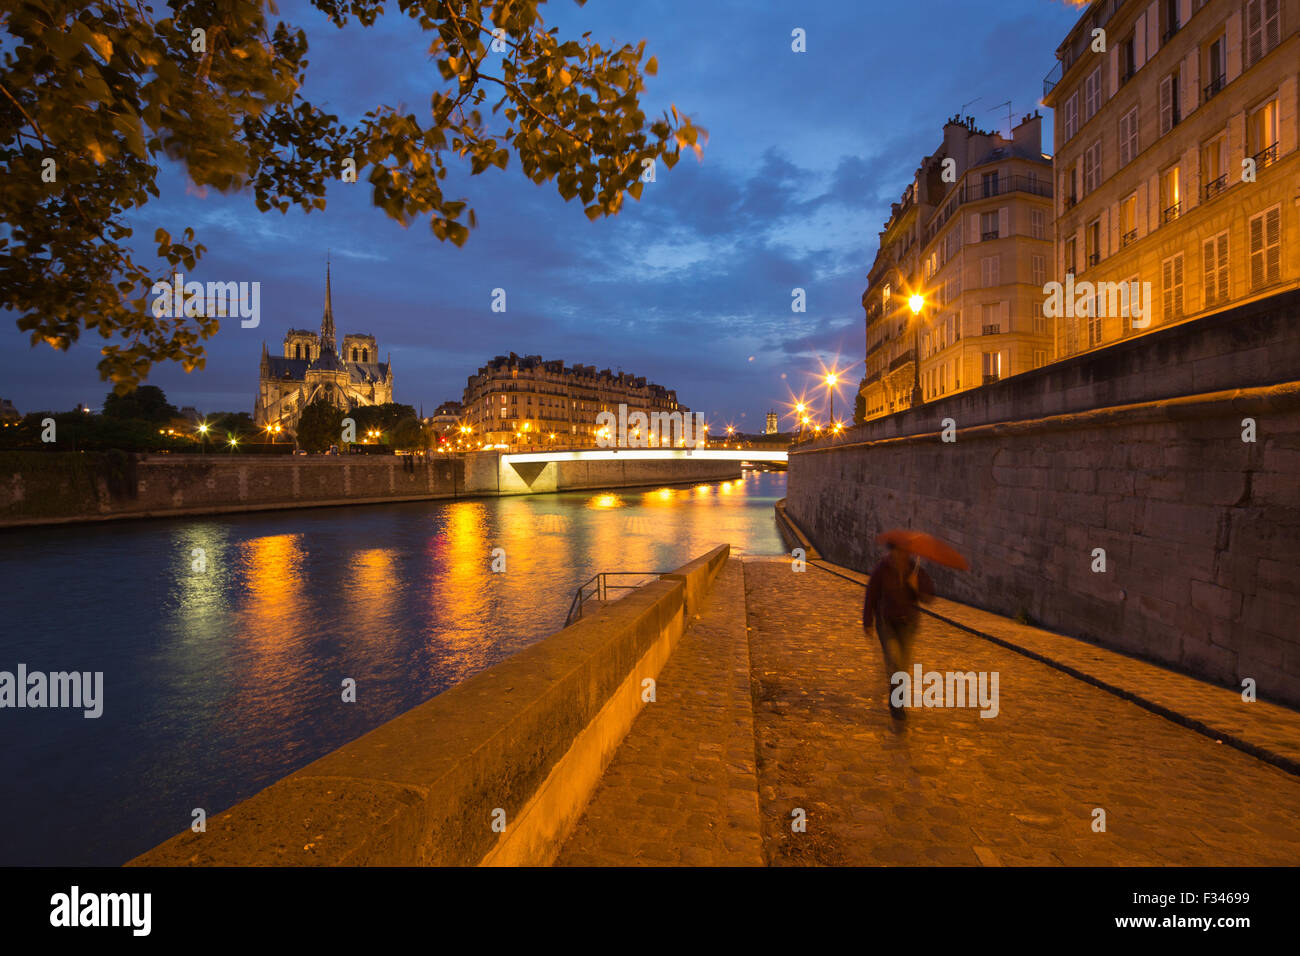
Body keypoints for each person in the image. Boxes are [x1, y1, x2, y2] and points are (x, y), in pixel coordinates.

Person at [863, 543, 934, 720]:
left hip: (908, 624)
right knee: (894, 661)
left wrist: (916, 586)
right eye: (897, 551)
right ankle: (897, 705)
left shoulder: (915, 570)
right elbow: (871, 595)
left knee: (902, 665)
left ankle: (897, 700)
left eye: (903, 551)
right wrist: (868, 622)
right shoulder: (882, 569)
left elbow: (929, 597)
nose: (900, 554)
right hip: (887, 623)